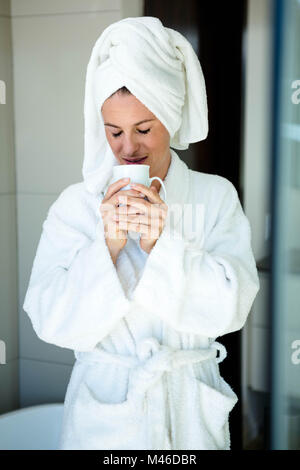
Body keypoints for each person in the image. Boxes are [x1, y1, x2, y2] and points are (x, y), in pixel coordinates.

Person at [22, 16, 260, 450]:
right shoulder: (77, 205)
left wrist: (161, 246)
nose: (128, 147)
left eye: (144, 129)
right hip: (105, 414)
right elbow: (47, 318)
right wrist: (107, 247)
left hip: (189, 412)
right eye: (114, 131)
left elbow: (233, 309)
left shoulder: (215, 196)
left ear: (170, 117)